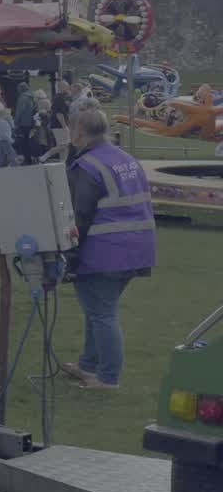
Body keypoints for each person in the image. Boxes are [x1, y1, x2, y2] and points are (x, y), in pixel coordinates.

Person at [61, 106, 156, 389]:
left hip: (105, 251)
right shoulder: (125, 158)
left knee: (102, 313)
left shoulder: (87, 166)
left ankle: (107, 378)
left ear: (79, 132)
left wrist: (69, 255)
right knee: (97, 309)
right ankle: (88, 365)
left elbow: (80, 216)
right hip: (137, 248)